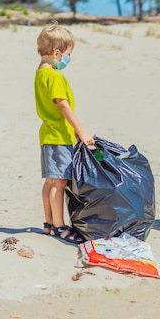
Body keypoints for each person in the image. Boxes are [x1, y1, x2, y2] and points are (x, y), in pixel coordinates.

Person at [34, 23, 94, 245]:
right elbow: (63, 105)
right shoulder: (55, 77)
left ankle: (49, 224)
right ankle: (59, 227)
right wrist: (81, 129)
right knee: (59, 184)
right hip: (59, 136)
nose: (69, 59)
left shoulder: (40, 73)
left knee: (50, 182)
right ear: (57, 53)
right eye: (69, 54)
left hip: (47, 135)